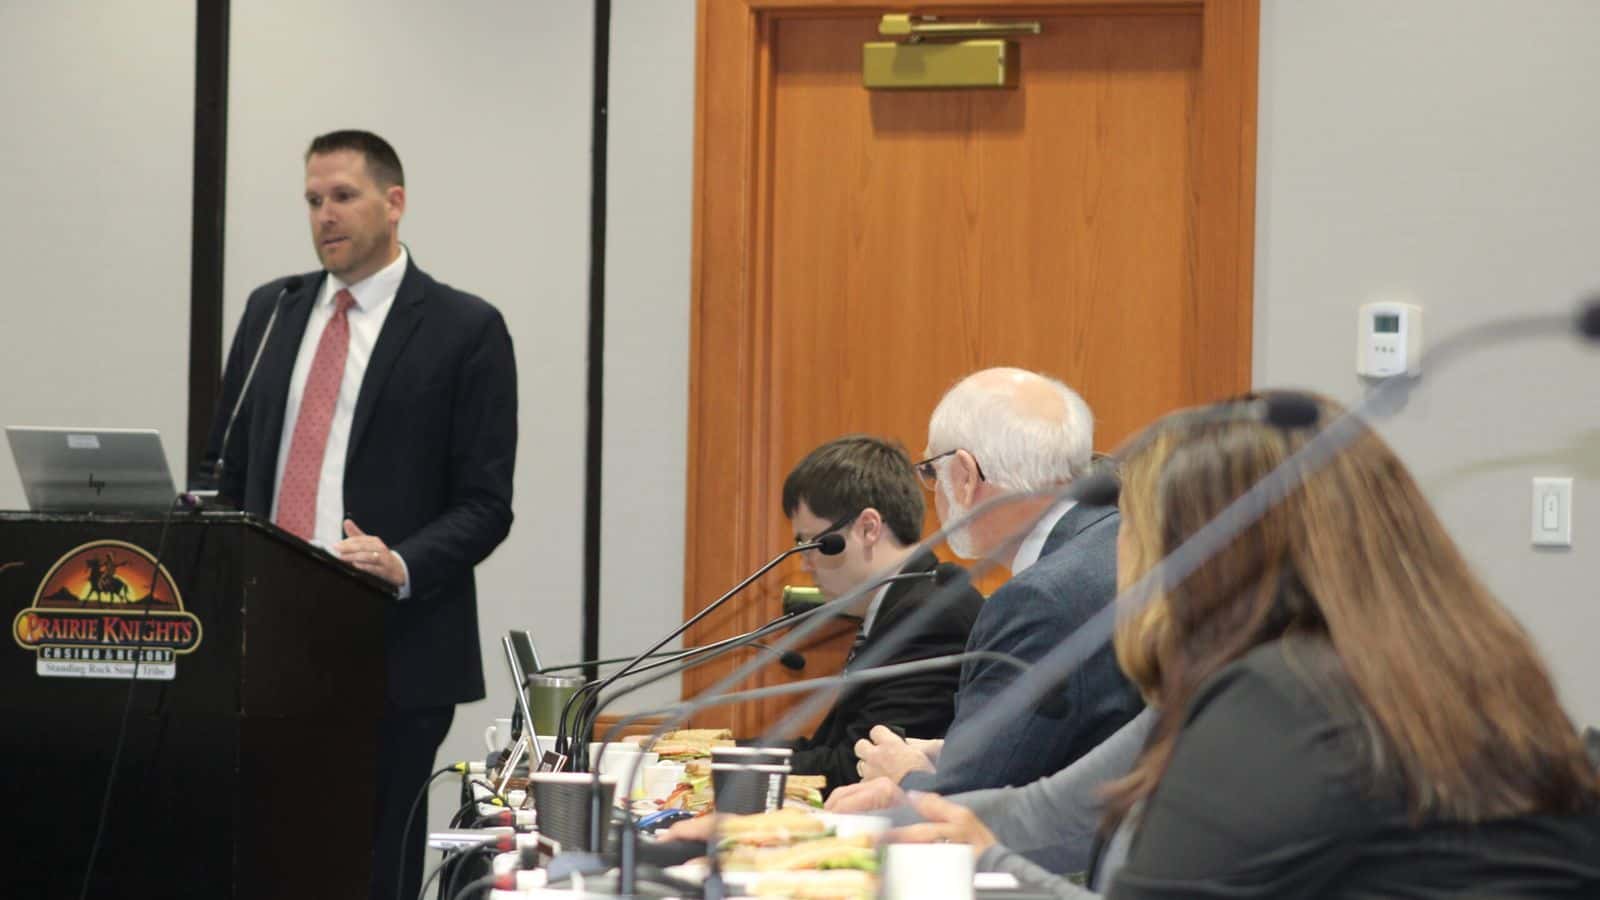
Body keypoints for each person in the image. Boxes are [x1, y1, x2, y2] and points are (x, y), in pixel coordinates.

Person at [893, 394, 1600, 897]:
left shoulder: (1282, 698)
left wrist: (989, 872)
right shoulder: (1449, 667)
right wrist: (894, 829)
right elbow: (1062, 813)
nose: (1118, 558)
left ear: (1206, 554)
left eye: (1131, 526)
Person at [207, 130, 517, 900]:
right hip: (263, 643)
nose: (325, 216)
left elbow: (485, 504)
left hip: (393, 647)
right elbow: (230, 469)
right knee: (258, 864)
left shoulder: (463, 329)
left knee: (370, 869)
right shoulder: (272, 311)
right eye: (313, 200)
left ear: (394, 202)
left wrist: (402, 562)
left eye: (342, 196)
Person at [838, 368, 1143, 803]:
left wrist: (905, 777)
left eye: (931, 472)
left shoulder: (1040, 598)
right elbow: (1069, 746)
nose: (933, 492)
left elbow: (972, 802)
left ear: (964, 475)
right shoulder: (1113, 541)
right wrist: (954, 756)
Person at [768, 435, 983, 795]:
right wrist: (711, 756)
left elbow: (858, 767)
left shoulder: (930, 618)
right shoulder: (900, 604)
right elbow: (833, 750)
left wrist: (723, 765)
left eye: (811, 544)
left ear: (868, 528)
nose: (804, 564)